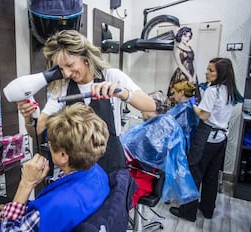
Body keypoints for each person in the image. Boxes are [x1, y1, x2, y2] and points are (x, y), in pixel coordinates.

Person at [17, 29, 156, 174]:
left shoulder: (111, 76)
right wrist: (28, 118)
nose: (67, 73)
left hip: (111, 160)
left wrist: (122, 92)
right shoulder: (63, 88)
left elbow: (150, 106)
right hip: (79, 166)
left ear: (85, 57)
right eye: (61, 69)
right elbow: (37, 130)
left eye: (70, 65)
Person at [0, 103, 111, 231]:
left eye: (50, 145)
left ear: (63, 155)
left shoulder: (55, 206)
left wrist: (26, 184)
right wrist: (14, 210)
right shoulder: (98, 172)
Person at [169, 57, 244, 222]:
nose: (206, 72)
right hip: (221, 137)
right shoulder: (229, 90)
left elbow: (204, 115)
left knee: (194, 173)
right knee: (211, 175)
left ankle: (188, 212)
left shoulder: (213, 91)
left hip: (207, 137)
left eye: (211, 70)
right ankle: (207, 209)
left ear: (221, 73)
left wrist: (193, 104)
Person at [167, 26, 199, 105]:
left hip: (191, 72)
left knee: (192, 95)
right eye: (185, 36)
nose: (187, 38)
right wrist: (188, 75)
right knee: (180, 94)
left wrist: (194, 75)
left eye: (189, 36)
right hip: (182, 74)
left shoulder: (189, 48)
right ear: (180, 35)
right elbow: (180, 64)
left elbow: (193, 61)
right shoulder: (177, 48)